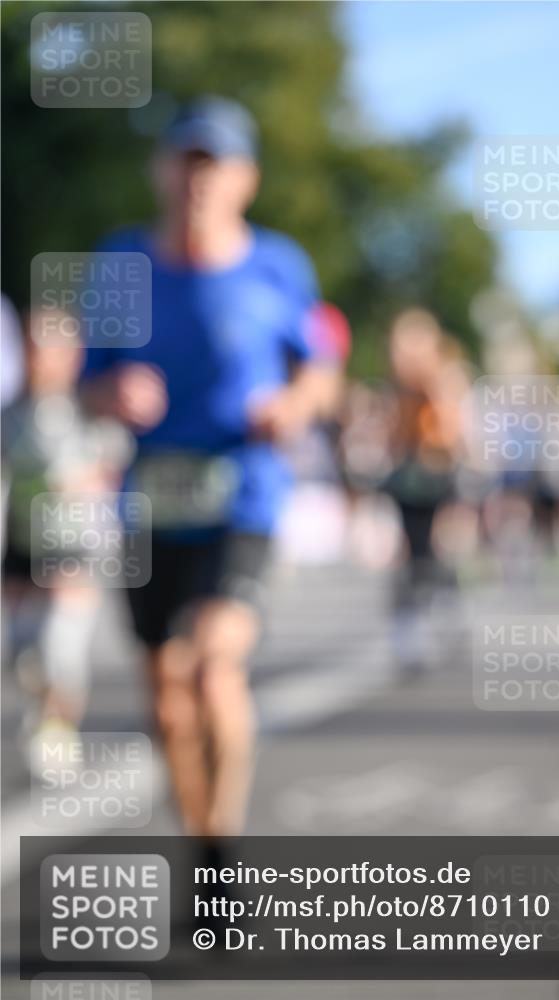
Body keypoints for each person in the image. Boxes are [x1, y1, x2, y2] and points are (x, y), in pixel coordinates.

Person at [80, 96, 341, 837]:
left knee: (211, 664)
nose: (198, 179)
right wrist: (112, 392)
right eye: (185, 161)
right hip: (150, 502)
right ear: (160, 171)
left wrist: (290, 407)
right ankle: (204, 841)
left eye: (214, 164)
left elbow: (321, 372)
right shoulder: (121, 262)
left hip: (244, 495)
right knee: (166, 698)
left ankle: (222, 836)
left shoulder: (277, 265)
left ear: (244, 179)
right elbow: (86, 381)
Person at [2, 309, 127, 772]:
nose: (41, 359)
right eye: (33, 347)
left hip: (74, 544)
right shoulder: (11, 413)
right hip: (21, 543)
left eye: (51, 349)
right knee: (20, 653)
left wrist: (77, 481)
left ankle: (58, 727)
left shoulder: (87, 409)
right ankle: (43, 707)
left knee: (59, 644)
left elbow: (114, 462)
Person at [382, 308, 470, 674]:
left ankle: (445, 607)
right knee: (411, 555)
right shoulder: (399, 392)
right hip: (408, 479)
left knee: (436, 551)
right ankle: (409, 628)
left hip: (439, 477)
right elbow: (393, 436)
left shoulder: (445, 382)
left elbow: (453, 434)